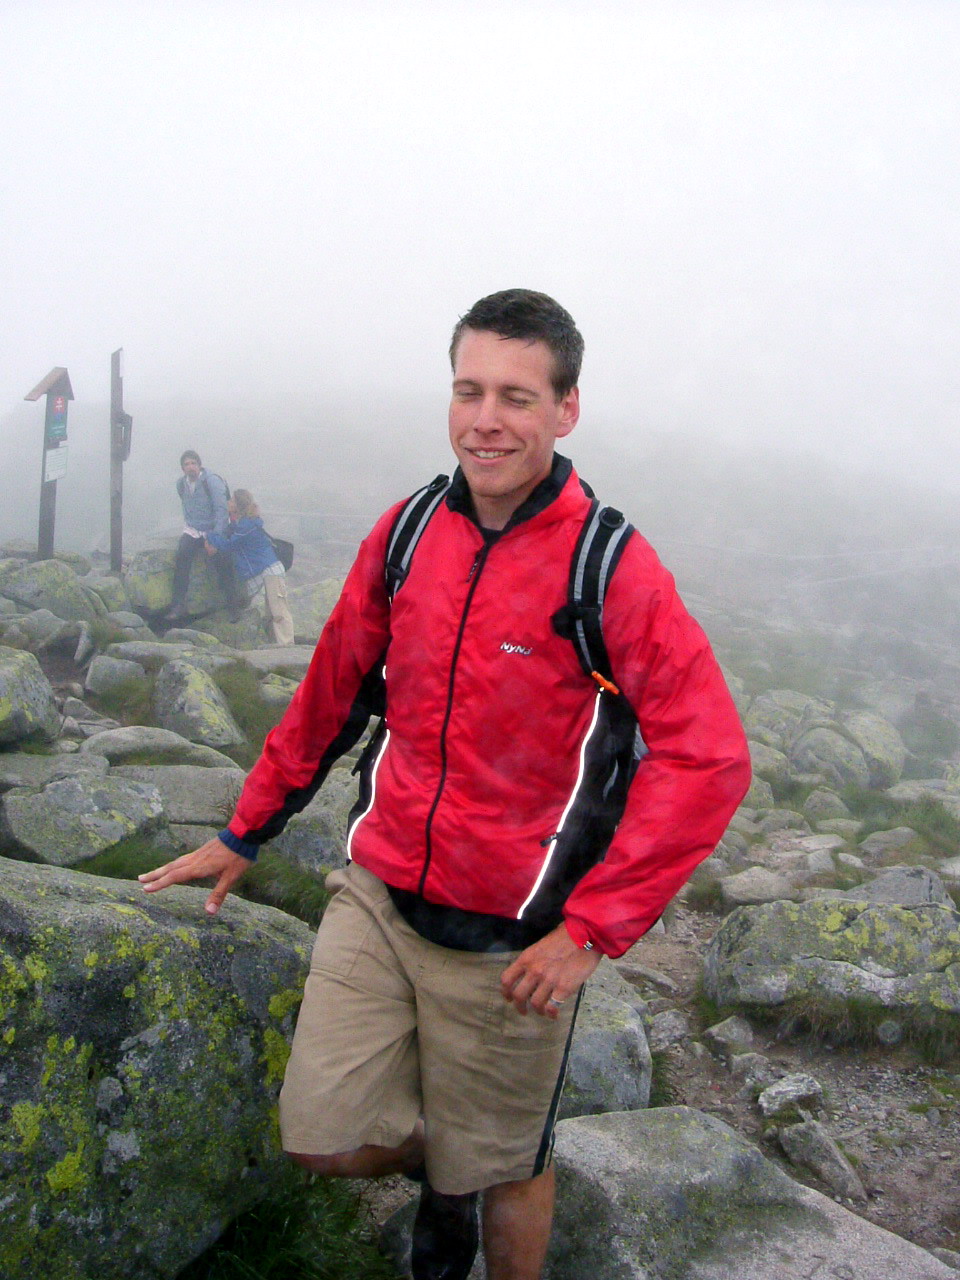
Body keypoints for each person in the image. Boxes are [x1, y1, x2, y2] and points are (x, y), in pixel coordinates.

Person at [140, 290, 751, 1280]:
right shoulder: (411, 530)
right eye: (469, 391)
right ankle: (446, 1167)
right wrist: (244, 832)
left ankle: (473, 1178)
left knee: (509, 1167)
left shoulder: (609, 568)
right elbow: (332, 689)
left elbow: (709, 755)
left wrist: (591, 929)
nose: (486, 419)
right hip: (380, 895)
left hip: (513, 941)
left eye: (517, 395)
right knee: (319, 1137)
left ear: (566, 409)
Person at [204, 489, 295, 646]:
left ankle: (287, 645)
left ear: (238, 505)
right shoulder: (245, 522)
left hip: (269, 568)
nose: (228, 502)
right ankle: (276, 643)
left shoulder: (246, 526)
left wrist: (209, 536)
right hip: (267, 568)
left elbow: (229, 545)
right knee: (271, 610)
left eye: (232, 500)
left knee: (278, 610)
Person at [165, 450, 240, 621]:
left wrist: (214, 538)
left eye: (193, 463)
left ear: (199, 465)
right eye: (186, 464)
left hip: (213, 528)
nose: (190, 467)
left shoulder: (212, 481)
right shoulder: (181, 484)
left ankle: (233, 606)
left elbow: (221, 510)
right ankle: (178, 606)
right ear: (182, 468)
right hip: (193, 530)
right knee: (182, 558)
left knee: (223, 560)